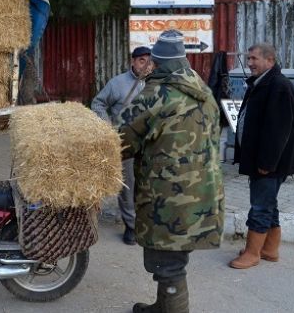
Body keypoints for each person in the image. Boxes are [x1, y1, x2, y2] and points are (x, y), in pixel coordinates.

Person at [118, 30, 224, 313]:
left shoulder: (154, 96)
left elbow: (122, 142)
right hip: (205, 190)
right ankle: (161, 307)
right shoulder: (204, 91)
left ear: (156, 62)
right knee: (173, 260)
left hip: (169, 196)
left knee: (169, 265)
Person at [229, 43, 294, 269]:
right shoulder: (263, 83)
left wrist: (266, 163)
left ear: (269, 60)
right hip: (263, 161)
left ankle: (253, 253)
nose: (249, 63)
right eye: (248, 59)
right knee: (268, 202)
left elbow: (278, 131)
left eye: (254, 59)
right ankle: (269, 250)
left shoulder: (278, 86)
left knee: (260, 205)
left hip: (269, 163)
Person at [91, 46, 152, 245]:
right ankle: (131, 226)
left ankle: (147, 224)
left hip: (150, 143)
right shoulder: (117, 83)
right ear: (132, 62)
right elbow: (98, 103)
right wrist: (108, 128)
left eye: (149, 61)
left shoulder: (157, 83)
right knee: (127, 185)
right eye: (141, 60)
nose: (145, 65)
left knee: (147, 184)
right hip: (125, 143)